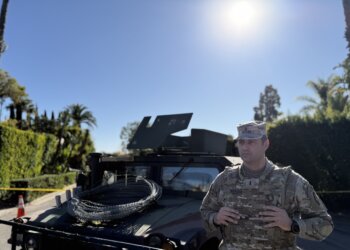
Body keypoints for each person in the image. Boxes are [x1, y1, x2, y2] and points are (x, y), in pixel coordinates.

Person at [200, 121, 333, 250]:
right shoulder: (223, 179)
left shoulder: (291, 181)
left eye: (251, 142)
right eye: (241, 142)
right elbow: (205, 211)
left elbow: (325, 224)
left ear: (265, 144)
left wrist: (292, 224)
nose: (245, 147)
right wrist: (215, 218)